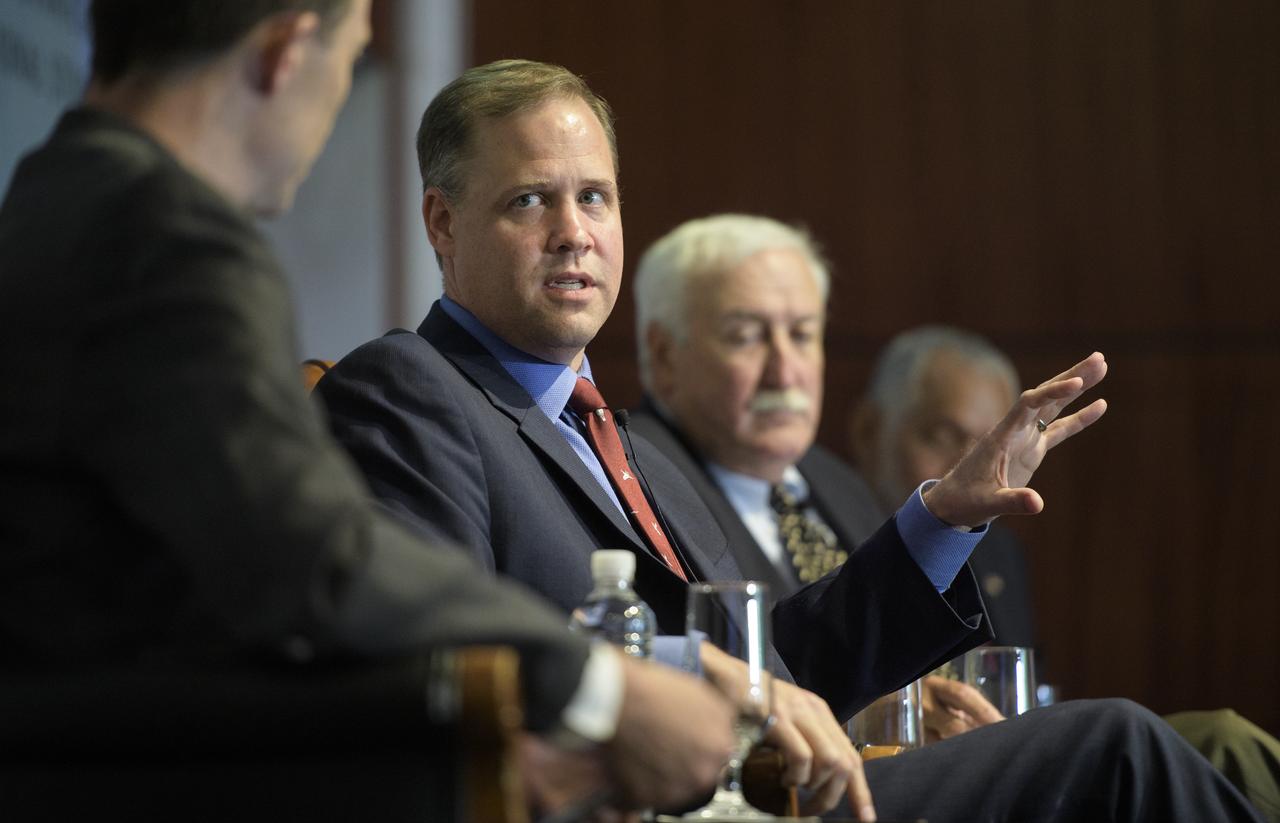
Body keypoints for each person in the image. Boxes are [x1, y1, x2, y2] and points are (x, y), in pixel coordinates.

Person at [315, 61, 1261, 820]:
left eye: (596, 198)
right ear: (442, 222)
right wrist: (697, 671)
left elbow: (785, 664)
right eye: (530, 201)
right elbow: (440, 653)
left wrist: (942, 516)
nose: (575, 234)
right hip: (666, 801)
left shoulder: (620, 439)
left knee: (1203, 751)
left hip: (776, 790)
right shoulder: (409, 391)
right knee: (1116, 749)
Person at [0, 4, 739, 818]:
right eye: (349, 61)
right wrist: (599, 686)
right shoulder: (166, 239)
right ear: (286, 54)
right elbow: (311, 559)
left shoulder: (56, 196)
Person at [849, 324, 1280, 822]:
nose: (971, 466)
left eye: (990, 444)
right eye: (945, 436)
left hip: (1000, 757)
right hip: (906, 775)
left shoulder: (996, 553)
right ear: (867, 430)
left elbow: (1020, 696)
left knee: (1222, 739)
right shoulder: (834, 525)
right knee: (1127, 736)